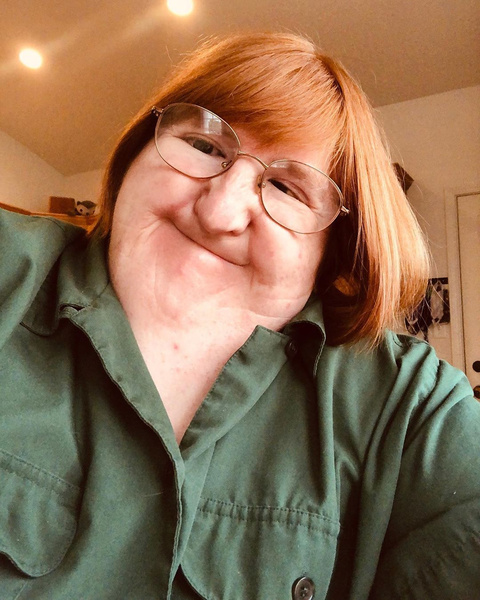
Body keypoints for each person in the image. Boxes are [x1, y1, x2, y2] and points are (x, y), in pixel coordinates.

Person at [0, 31, 478, 600]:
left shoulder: (406, 404)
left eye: (287, 189)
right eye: (203, 146)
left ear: (333, 252)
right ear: (135, 156)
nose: (220, 212)